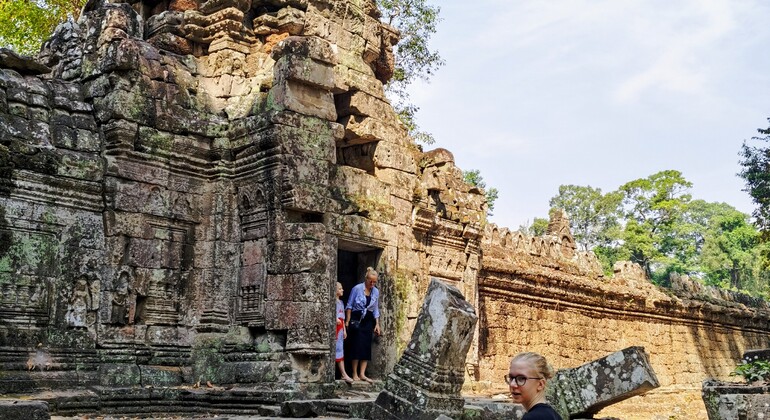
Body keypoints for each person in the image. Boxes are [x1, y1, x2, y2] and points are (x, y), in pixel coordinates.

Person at [345, 267, 381, 383]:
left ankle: (362, 374)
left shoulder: (376, 291)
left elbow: (375, 309)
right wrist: (348, 321)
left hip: (368, 320)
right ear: (366, 278)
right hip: (356, 318)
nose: (372, 283)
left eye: (374, 281)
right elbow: (349, 306)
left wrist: (377, 324)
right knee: (356, 346)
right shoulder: (357, 289)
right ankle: (354, 373)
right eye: (370, 281)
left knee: (366, 346)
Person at [507, 352, 562, 420]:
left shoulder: (533, 418)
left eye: (521, 378)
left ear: (540, 384)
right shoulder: (553, 415)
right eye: (511, 378)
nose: (512, 384)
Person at [335, 282, 354, 383]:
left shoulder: (341, 303)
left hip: (340, 329)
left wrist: (344, 329)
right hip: (335, 329)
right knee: (336, 350)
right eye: (340, 289)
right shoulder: (333, 303)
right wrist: (335, 319)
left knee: (340, 350)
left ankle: (343, 374)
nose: (342, 290)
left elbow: (342, 318)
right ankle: (343, 374)